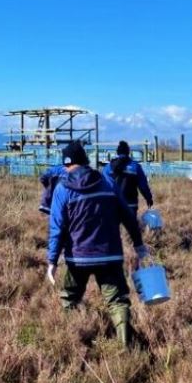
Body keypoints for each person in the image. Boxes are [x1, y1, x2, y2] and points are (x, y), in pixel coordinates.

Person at [46, 141, 149, 348]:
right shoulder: (107, 182)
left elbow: (57, 227)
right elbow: (128, 216)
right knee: (118, 301)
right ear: (85, 161)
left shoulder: (62, 188)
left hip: (78, 256)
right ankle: (125, 346)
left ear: (67, 165)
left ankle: (72, 341)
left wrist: (52, 261)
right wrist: (138, 245)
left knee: (70, 298)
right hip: (109, 254)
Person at [102, 141, 153, 215]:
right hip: (130, 204)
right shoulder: (135, 167)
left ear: (117, 152)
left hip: (113, 203)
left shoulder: (108, 168)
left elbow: (103, 185)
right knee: (131, 226)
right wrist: (148, 198)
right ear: (128, 152)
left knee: (114, 226)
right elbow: (143, 186)